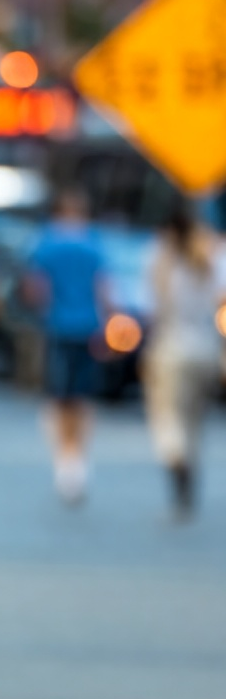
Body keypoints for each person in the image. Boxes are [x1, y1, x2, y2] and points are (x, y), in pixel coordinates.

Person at [142, 200, 225, 518]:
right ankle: (189, 466)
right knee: (194, 418)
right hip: (205, 348)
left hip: (170, 348)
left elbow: (150, 311)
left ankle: (177, 462)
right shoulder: (212, 258)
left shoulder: (160, 261)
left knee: (168, 418)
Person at [26, 188, 107, 505]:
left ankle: (65, 462)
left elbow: (36, 289)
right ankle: (79, 461)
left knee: (58, 398)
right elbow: (104, 287)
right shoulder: (93, 241)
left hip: (58, 327)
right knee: (83, 398)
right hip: (88, 327)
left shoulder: (46, 243)